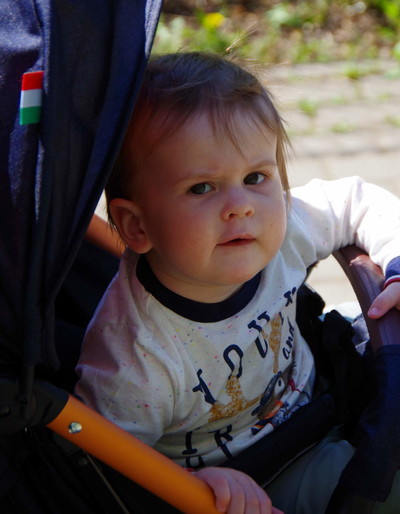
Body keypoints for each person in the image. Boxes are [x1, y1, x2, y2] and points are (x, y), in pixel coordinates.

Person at [75, 52, 400, 513]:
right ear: (136, 225)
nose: (241, 206)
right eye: (202, 188)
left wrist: (396, 263)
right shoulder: (134, 358)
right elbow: (109, 471)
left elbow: (356, 201)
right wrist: (195, 483)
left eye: (255, 177)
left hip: (324, 392)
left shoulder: (276, 231)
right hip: (265, 475)